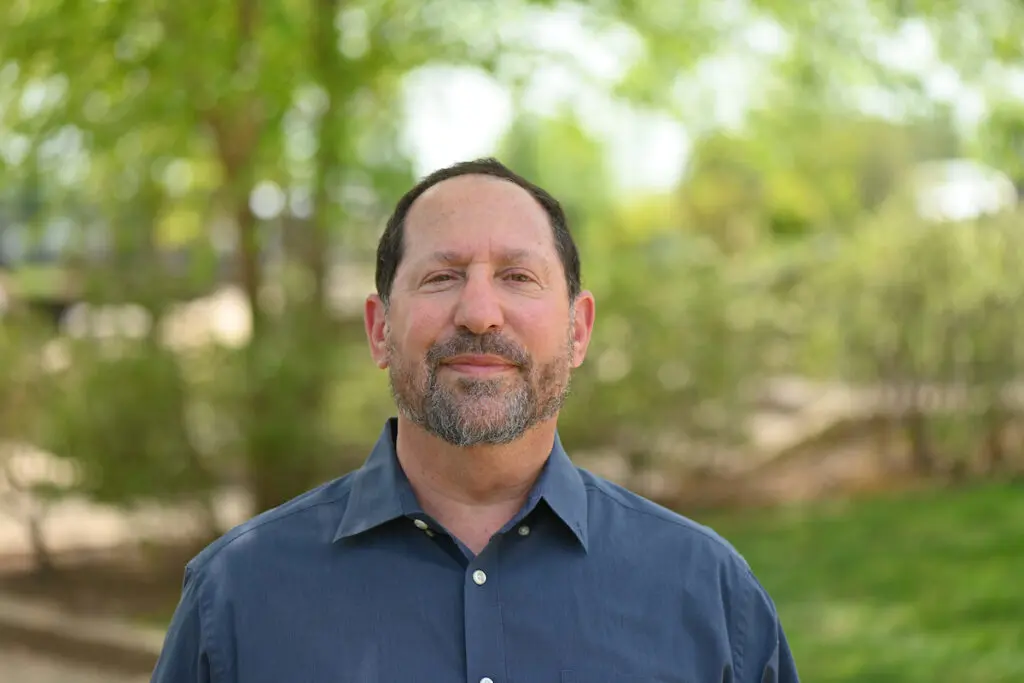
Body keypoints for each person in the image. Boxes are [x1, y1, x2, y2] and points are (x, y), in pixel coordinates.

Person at [151, 158, 800, 683]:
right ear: (380, 330)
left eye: (518, 276)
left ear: (578, 330)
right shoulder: (237, 596)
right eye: (442, 276)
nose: (481, 312)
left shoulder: (710, 597)